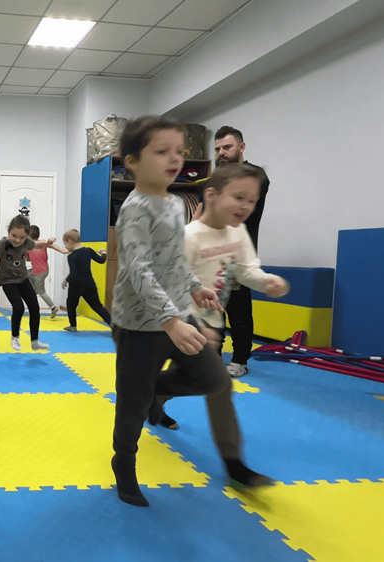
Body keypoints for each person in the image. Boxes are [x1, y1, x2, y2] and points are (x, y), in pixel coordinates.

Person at [109, 116, 228, 508]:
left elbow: (174, 259)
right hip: (141, 324)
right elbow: (136, 268)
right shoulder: (135, 209)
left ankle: (157, 396)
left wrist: (195, 288)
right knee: (131, 402)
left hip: (177, 314)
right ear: (132, 161)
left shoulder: (177, 203)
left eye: (179, 151)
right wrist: (170, 320)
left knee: (212, 376)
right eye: (162, 152)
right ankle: (124, 463)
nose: (174, 159)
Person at [151, 163, 287, 492]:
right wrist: (190, 321)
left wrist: (266, 280)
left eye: (252, 201)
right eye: (239, 197)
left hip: (210, 321)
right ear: (211, 195)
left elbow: (246, 269)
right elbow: (166, 286)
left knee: (213, 383)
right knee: (215, 382)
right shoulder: (190, 237)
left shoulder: (237, 232)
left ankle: (155, 396)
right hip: (173, 321)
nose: (246, 207)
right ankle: (149, 391)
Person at [212, 126, 271, 378]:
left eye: (227, 147)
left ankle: (239, 360)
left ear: (241, 147)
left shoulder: (255, 175)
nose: (221, 153)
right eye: (217, 149)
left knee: (238, 312)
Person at [0, 216, 55, 351]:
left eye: (21, 237)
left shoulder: (26, 242)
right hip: (7, 280)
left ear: (27, 236)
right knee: (19, 308)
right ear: (9, 231)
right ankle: (15, 337)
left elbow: (37, 245)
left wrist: (47, 242)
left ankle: (34, 341)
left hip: (22, 278)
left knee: (34, 307)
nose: (17, 240)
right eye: (14, 235)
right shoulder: (3, 243)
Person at [60, 229, 111, 330]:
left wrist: (66, 280)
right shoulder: (89, 251)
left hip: (76, 284)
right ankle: (113, 325)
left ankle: (73, 325)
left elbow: (74, 273)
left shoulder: (72, 256)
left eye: (65, 243)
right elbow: (101, 260)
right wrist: (104, 252)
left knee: (71, 304)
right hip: (89, 282)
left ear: (70, 241)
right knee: (97, 305)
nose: (65, 246)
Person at [26, 225, 68, 318]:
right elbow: (53, 245)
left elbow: (27, 259)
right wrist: (64, 251)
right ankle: (33, 292)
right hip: (44, 270)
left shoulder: (29, 246)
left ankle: (53, 307)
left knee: (41, 291)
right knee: (25, 275)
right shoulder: (43, 243)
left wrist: (27, 254)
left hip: (39, 272)